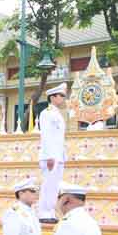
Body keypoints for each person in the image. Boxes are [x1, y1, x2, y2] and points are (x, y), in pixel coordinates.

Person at [38, 83, 68, 224]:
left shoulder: (57, 114)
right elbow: (46, 136)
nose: (62, 98)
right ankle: (43, 212)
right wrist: (49, 155)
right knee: (48, 184)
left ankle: (50, 212)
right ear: (53, 97)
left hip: (58, 156)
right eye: (60, 95)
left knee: (55, 186)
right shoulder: (46, 113)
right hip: (50, 156)